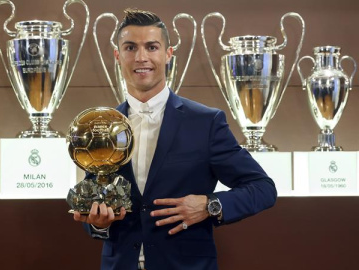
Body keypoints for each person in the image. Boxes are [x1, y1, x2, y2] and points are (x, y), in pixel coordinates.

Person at [73, 8, 277, 270]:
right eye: (130, 47)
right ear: (118, 56)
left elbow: (263, 188)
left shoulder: (206, 122)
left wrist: (210, 204)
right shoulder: (102, 127)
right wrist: (98, 224)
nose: (141, 57)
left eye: (152, 47)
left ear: (168, 54)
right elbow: (94, 204)